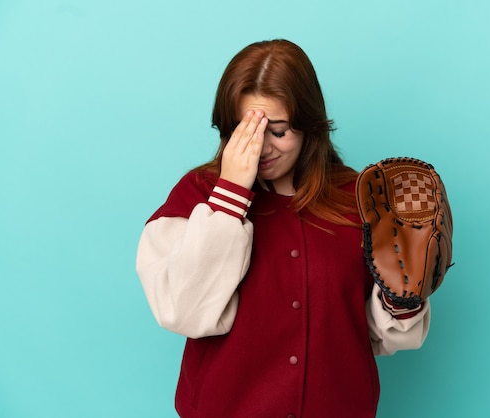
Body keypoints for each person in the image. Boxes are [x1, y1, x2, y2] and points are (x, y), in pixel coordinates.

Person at [136, 39, 431, 418]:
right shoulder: (196, 194)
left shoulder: (360, 198)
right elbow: (183, 312)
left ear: (309, 125)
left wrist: (404, 297)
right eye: (247, 131)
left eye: (277, 131)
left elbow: (378, 334)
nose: (262, 149)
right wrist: (231, 195)